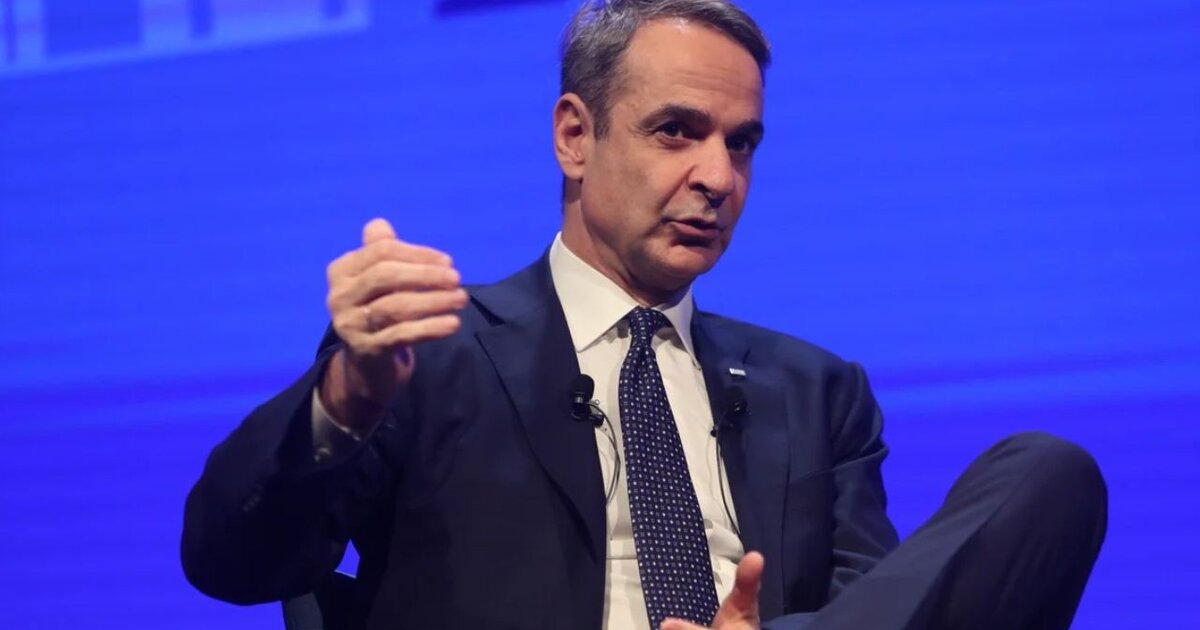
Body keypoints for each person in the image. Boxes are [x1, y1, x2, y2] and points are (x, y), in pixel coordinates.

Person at [181, 1, 1107, 629]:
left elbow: (884, 609)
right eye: (677, 131)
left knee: (1049, 474)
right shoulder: (428, 354)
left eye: (742, 144)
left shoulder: (818, 392)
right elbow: (234, 563)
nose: (718, 177)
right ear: (574, 137)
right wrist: (346, 396)